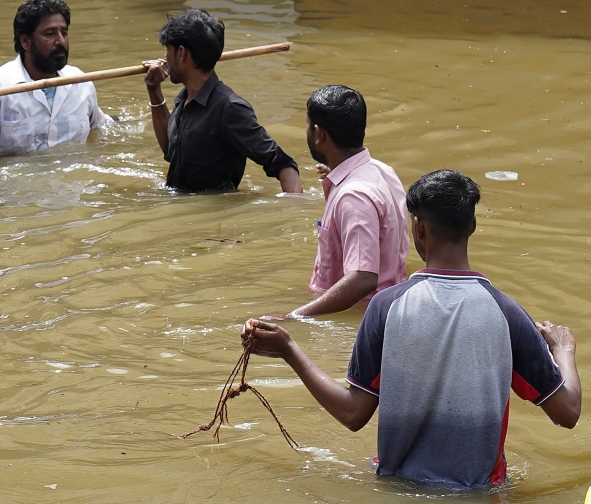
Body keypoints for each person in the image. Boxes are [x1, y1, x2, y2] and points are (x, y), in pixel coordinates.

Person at [242, 170, 580, 491]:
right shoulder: (507, 314)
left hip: (396, 487)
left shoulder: (385, 307)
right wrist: (563, 350)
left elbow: (352, 413)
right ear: (473, 226)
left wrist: (289, 349)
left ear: (417, 228)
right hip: (479, 492)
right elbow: (567, 413)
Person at [274, 85, 407, 318]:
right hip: (386, 306)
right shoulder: (382, 171)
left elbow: (363, 278)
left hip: (360, 319)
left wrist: (296, 316)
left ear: (319, 134)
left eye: (307, 125)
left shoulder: (354, 195)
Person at [142, 9, 300, 192]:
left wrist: (295, 211)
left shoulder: (229, 108)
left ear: (181, 53)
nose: (164, 58)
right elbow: (171, 151)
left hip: (213, 216)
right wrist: (154, 89)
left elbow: (283, 165)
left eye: (167, 51)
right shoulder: (184, 99)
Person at [0, 0, 110, 156]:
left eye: (64, 33)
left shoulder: (81, 83)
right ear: (25, 41)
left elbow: (102, 131)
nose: (61, 41)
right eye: (50, 34)